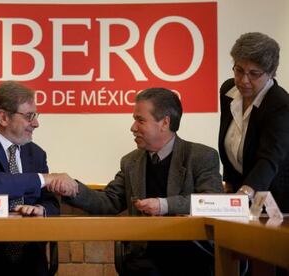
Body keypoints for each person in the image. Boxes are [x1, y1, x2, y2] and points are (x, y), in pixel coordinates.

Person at [50, 88, 223, 276]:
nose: (133, 127)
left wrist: (163, 205)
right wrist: (73, 190)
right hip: (143, 260)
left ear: (165, 123)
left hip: (191, 258)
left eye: (140, 120)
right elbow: (109, 201)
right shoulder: (131, 162)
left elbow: (211, 202)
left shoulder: (202, 157)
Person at [0, 80, 76, 276]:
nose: (36, 123)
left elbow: (50, 202)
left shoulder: (36, 154)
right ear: (3, 117)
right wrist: (47, 178)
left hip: (30, 262)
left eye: (35, 116)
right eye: (29, 116)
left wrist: (40, 210)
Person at [219, 32, 289, 213]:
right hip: (241, 196)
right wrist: (228, 187)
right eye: (239, 70)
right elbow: (230, 142)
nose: (244, 81)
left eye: (254, 74)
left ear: (271, 73)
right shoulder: (228, 91)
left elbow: (270, 158)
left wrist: (244, 193)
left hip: (277, 200)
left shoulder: (280, 104)